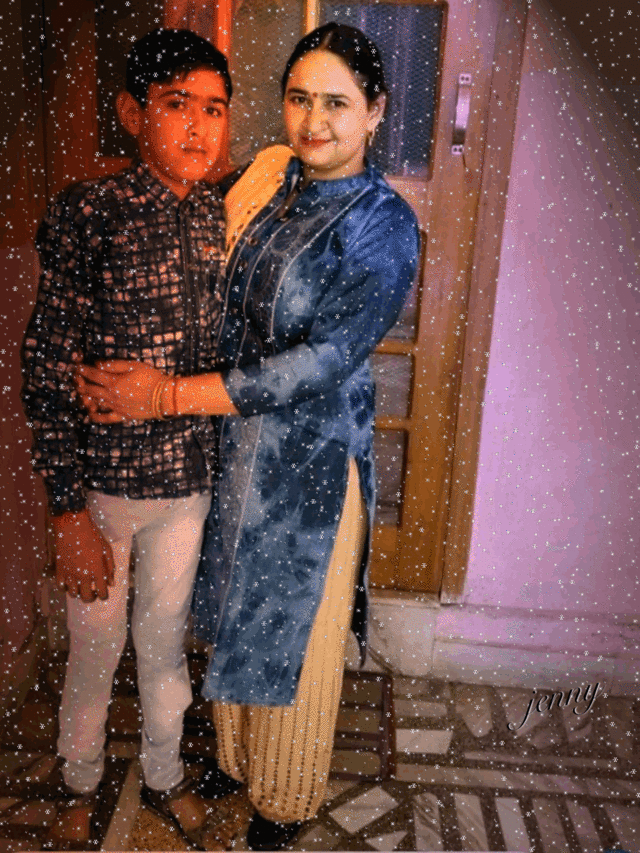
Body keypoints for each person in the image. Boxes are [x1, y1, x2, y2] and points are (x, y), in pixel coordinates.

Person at [77, 22, 420, 851]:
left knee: (292, 634)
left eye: (336, 103)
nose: (314, 122)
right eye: (299, 99)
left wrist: (166, 394)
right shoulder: (272, 177)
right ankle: (236, 759)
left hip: (309, 463)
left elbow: (323, 360)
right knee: (235, 609)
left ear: (375, 110)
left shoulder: (383, 225)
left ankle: (285, 796)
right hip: (235, 449)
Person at [21, 28, 236, 850]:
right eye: (177, 104)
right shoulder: (90, 213)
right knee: (94, 644)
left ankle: (165, 771)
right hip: (103, 487)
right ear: (131, 112)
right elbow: (47, 366)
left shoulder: (222, 216)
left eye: (214, 108)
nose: (198, 126)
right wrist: (67, 512)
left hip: (188, 483)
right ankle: (78, 776)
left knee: (163, 640)